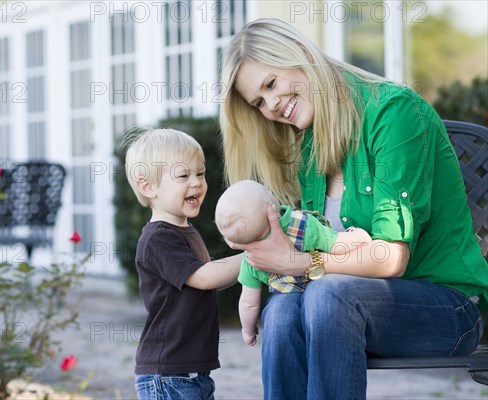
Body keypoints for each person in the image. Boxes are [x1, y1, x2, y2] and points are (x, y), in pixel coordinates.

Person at [218, 18, 488, 400]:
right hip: (343, 313)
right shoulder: (308, 147)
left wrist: (298, 264)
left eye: (271, 84)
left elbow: (390, 259)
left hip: (444, 311)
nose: (272, 105)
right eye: (259, 102)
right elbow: (300, 241)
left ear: (302, 57)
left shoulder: (394, 113)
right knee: (280, 312)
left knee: (329, 295)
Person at [122, 128, 242, 400]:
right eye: (183, 176)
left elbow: (210, 280)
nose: (197, 182)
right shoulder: (158, 238)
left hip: (192, 373)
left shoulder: (185, 230)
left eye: (200, 173)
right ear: (148, 187)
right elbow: (205, 277)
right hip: (168, 375)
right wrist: (254, 258)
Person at [215, 179, 371, 346]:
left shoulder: (252, 260)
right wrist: (360, 236)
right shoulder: (303, 225)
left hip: (288, 298)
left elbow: (249, 303)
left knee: (279, 312)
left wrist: (248, 330)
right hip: (320, 287)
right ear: (273, 209)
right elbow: (337, 244)